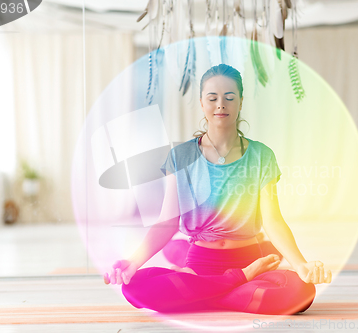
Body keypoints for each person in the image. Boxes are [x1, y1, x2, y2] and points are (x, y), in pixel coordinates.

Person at [104, 64, 332, 315]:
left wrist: (300, 264)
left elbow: (273, 220)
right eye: (212, 98)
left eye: (229, 97)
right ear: (202, 103)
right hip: (202, 263)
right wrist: (133, 262)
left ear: (241, 102)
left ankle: (199, 294)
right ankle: (236, 282)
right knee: (133, 287)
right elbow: (167, 222)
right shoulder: (180, 156)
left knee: (302, 291)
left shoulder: (261, 155)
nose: (220, 104)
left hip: (248, 256)